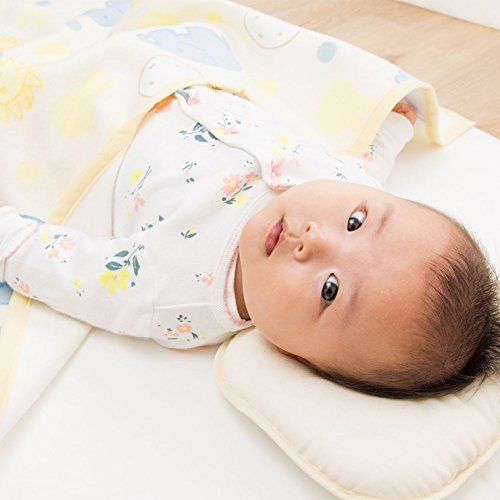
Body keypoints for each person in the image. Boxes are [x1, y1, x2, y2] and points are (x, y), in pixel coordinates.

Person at [1, 86, 499, 398]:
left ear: (295, 355)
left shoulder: (176, 297)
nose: (314, 239)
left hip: (84, 120)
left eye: (329, 290)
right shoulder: (344, 187)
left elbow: (69, 269)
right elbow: (365, 167)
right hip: (172, 76)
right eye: (355, 223)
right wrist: (390, 128)